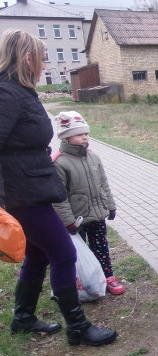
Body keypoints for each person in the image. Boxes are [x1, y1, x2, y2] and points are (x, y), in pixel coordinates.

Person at [0, 29, 117, 346]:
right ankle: (77, 327)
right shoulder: (7, 94)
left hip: (32, 187)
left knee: (38, 254)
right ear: (27, 58)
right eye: (41, 57)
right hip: (22, 194)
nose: (43, 64)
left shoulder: (19, 91)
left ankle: (23, 317)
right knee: (64, 253)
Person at [51, 111, 124, 295]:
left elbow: (103, 184)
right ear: (66, 137)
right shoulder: (60, 163)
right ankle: (83, 281)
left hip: (97, 215)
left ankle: (107, 276)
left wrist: (111, 205)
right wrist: (68, 221)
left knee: (101, 247)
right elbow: (59, 197)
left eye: (86, 133)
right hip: (76, 220)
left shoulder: (93, 158)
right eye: (79, 134)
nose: (84, 137)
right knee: (77, 254)